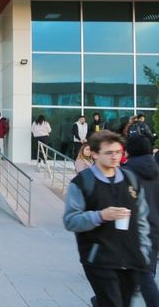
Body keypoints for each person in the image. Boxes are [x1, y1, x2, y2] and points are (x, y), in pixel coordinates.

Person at [63, 130, 151, 307]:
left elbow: (142, 219)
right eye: (109, 152)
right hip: (99, 259)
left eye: (118, 152)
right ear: (94, 153)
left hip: (131, 258)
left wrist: (145, 250)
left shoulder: (130, 179)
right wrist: (100, 215)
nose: (115, 157)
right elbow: (70, 220)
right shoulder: (82, 182)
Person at [123, 135, 159, 306]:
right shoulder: (156, 171)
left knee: (142, 276)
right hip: (155, 230)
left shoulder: (126, 172)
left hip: (134, 230)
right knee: (146, 272)